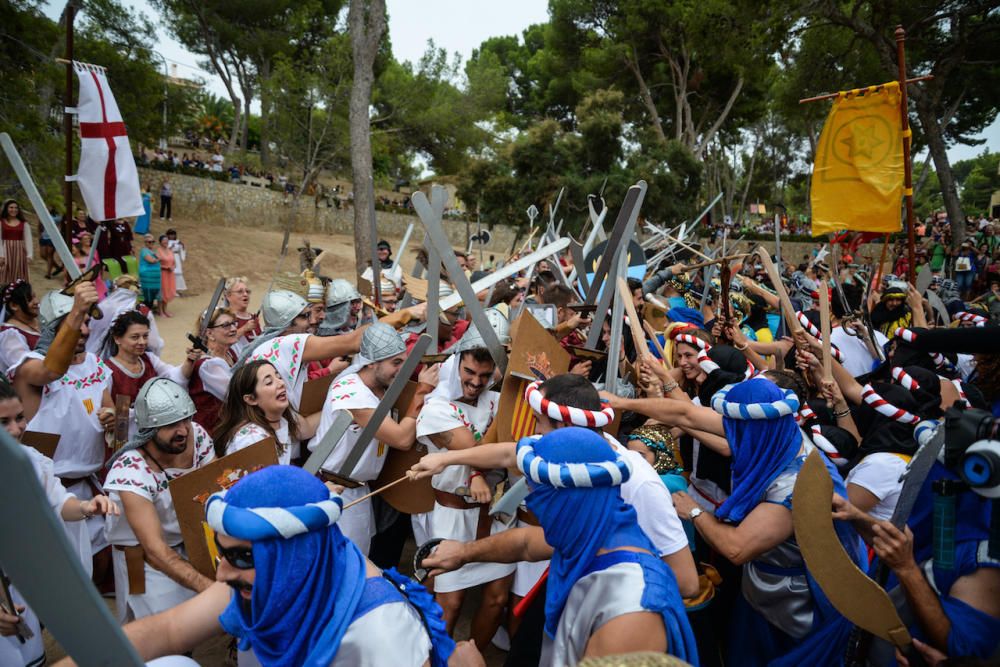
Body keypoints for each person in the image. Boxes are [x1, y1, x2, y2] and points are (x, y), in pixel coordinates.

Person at [57, 465, 459, 666]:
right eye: (223, 552)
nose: (221, 574)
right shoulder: (284, 576)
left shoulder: (383, 635)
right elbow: (167, 630)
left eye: (241, 557)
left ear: (294, 553)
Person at [0, 378, 118, 667]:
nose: (16, 430)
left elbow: (58, 502)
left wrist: (88, 507)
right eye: (3, 422)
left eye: (19, 418)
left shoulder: (29, 461)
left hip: (16, 585)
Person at [415, 323, 513, 649]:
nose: (476, 382)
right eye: (469, 371)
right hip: (453, 515)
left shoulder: (494, 398)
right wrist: (508, 403)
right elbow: (469, 446)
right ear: (456, 362)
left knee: (497, 599)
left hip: (495, 513)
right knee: (450, 604)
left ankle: (475, 657)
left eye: (485, 376)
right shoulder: (436, 407)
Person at [11, 284, 117, 577]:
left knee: (88, 574)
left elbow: (110, 410)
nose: (84, 330)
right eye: (76, 322)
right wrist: (76, 310)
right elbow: (51, 372)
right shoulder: (30, 367)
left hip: (88, 491)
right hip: (44, 496)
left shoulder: (95, 364)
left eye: (85, 322)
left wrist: (112, 416)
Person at [310, 322, 438, 554]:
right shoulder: (352, 392)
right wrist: (421, 391)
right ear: (371, 363)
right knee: (344, 566)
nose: (402, 369)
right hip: (335, 489)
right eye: (395, 363)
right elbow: (401, 439)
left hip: (358, 489)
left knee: (359, 560)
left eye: (403, 361)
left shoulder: (374, 384)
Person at [103, 378, 216, 622]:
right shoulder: (131, 469)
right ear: (150, 429)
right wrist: (209, 588)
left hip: (187, 543)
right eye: (171, 424)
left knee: (192, 622)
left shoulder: (196, 437)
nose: (183, 430)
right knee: (155, 627)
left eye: (186, 419)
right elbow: (155, 551)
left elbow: (213, 491)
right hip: (141, 556)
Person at [213, 360, 314, 467]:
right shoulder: (251, 439)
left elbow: (307, 428)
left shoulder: (281, 419)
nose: (281, 383)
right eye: (269, 382)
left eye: (279, 377)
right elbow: (268, 482)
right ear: (251, 399)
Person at [187, 307, 239, 431]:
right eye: (226, 325)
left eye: (233, 323)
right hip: (213, 435)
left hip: (230, 427)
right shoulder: (207, 365)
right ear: (210, 334)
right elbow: (236, 394)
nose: (233, 328)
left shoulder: (230, 353)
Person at [224, 277, 260, 355]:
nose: (245, 294)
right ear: (228, 296)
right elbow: (223, 341)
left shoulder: (253, 317)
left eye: (247, 291)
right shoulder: (224, 318)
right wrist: (244, 329)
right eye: (240, 292)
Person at [0, 280, 41, 349]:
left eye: (35, 297)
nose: (37, 301)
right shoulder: (10, 335)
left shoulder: (40, 316)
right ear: (14, 305)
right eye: (30, 299)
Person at [0, 199, 32, 285]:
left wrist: (29, 255)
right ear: (6, 208)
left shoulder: (24, 223)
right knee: (4, 274)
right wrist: (1, 255)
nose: (14, 210)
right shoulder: (1, 222)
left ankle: (18, 295)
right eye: (11, 207)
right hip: (5, 251)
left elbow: (28, 240)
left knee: (19, 274)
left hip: (20, 252)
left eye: (16, 208)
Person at [139, 234, 161, 311]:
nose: (151, 243)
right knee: (148, 294)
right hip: (147, 276)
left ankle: (148, 310)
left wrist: (157, 258)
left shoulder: (152, 251)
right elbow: (151, 260)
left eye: (153, 241)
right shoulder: (144, 251)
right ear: (145, 242)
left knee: (152, 293)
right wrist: (157, 259)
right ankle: (144, 311)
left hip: (154, 278)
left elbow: (158, 258)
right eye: (149, 242)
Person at [156, 235, 176, 318]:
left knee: (168, 291)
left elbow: (174, 262)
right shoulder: (158, 251)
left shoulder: (170, 251)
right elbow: (156, 264)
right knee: (162, 292)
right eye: (164, 240)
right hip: (162, 273)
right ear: (160, 242)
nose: (166, 242)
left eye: (167, 240)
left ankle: (165, 310)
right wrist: (166, 267)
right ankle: (160, 311)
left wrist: (173, 267)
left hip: (170, 274)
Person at [166, 229, 186, 294]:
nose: (172, 236)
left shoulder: (178, 241)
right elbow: (164, 250)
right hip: (170, 257)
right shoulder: (166, 242)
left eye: (173, 234)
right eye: (170, 234)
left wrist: (182, 246)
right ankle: (170, 289)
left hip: (177, 258)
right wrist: (171, 247)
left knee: (178, 273)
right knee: (171, 273)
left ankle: (176, 289)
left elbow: (182, 250)